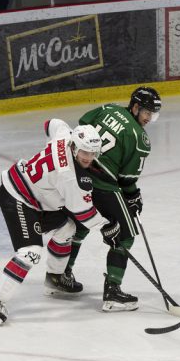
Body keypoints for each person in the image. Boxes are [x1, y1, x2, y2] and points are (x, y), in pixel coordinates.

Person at [0, 120, 119, 326]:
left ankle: (55, 278)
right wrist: (107, 226)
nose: (88, 157)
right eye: (84, 152)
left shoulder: (64, 136)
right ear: (74, 147)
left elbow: (51, 123)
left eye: (93, 152)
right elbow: (84, 214)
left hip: (34, 197)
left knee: (67, 228)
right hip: (17, 197)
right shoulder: (68, 176)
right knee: (30, 252)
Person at [65, 86, 162, 311]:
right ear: (135, 107)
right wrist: (133, 196)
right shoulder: (139, 138)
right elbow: (126, 179)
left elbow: (81, 126)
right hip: (103, 187)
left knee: (80, 226)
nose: (149, 118)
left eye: (152, 114)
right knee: (125, 236)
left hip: (78, 176)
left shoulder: (108, 109)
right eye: (147, 112)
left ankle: (61, 275)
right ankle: (113, 292)